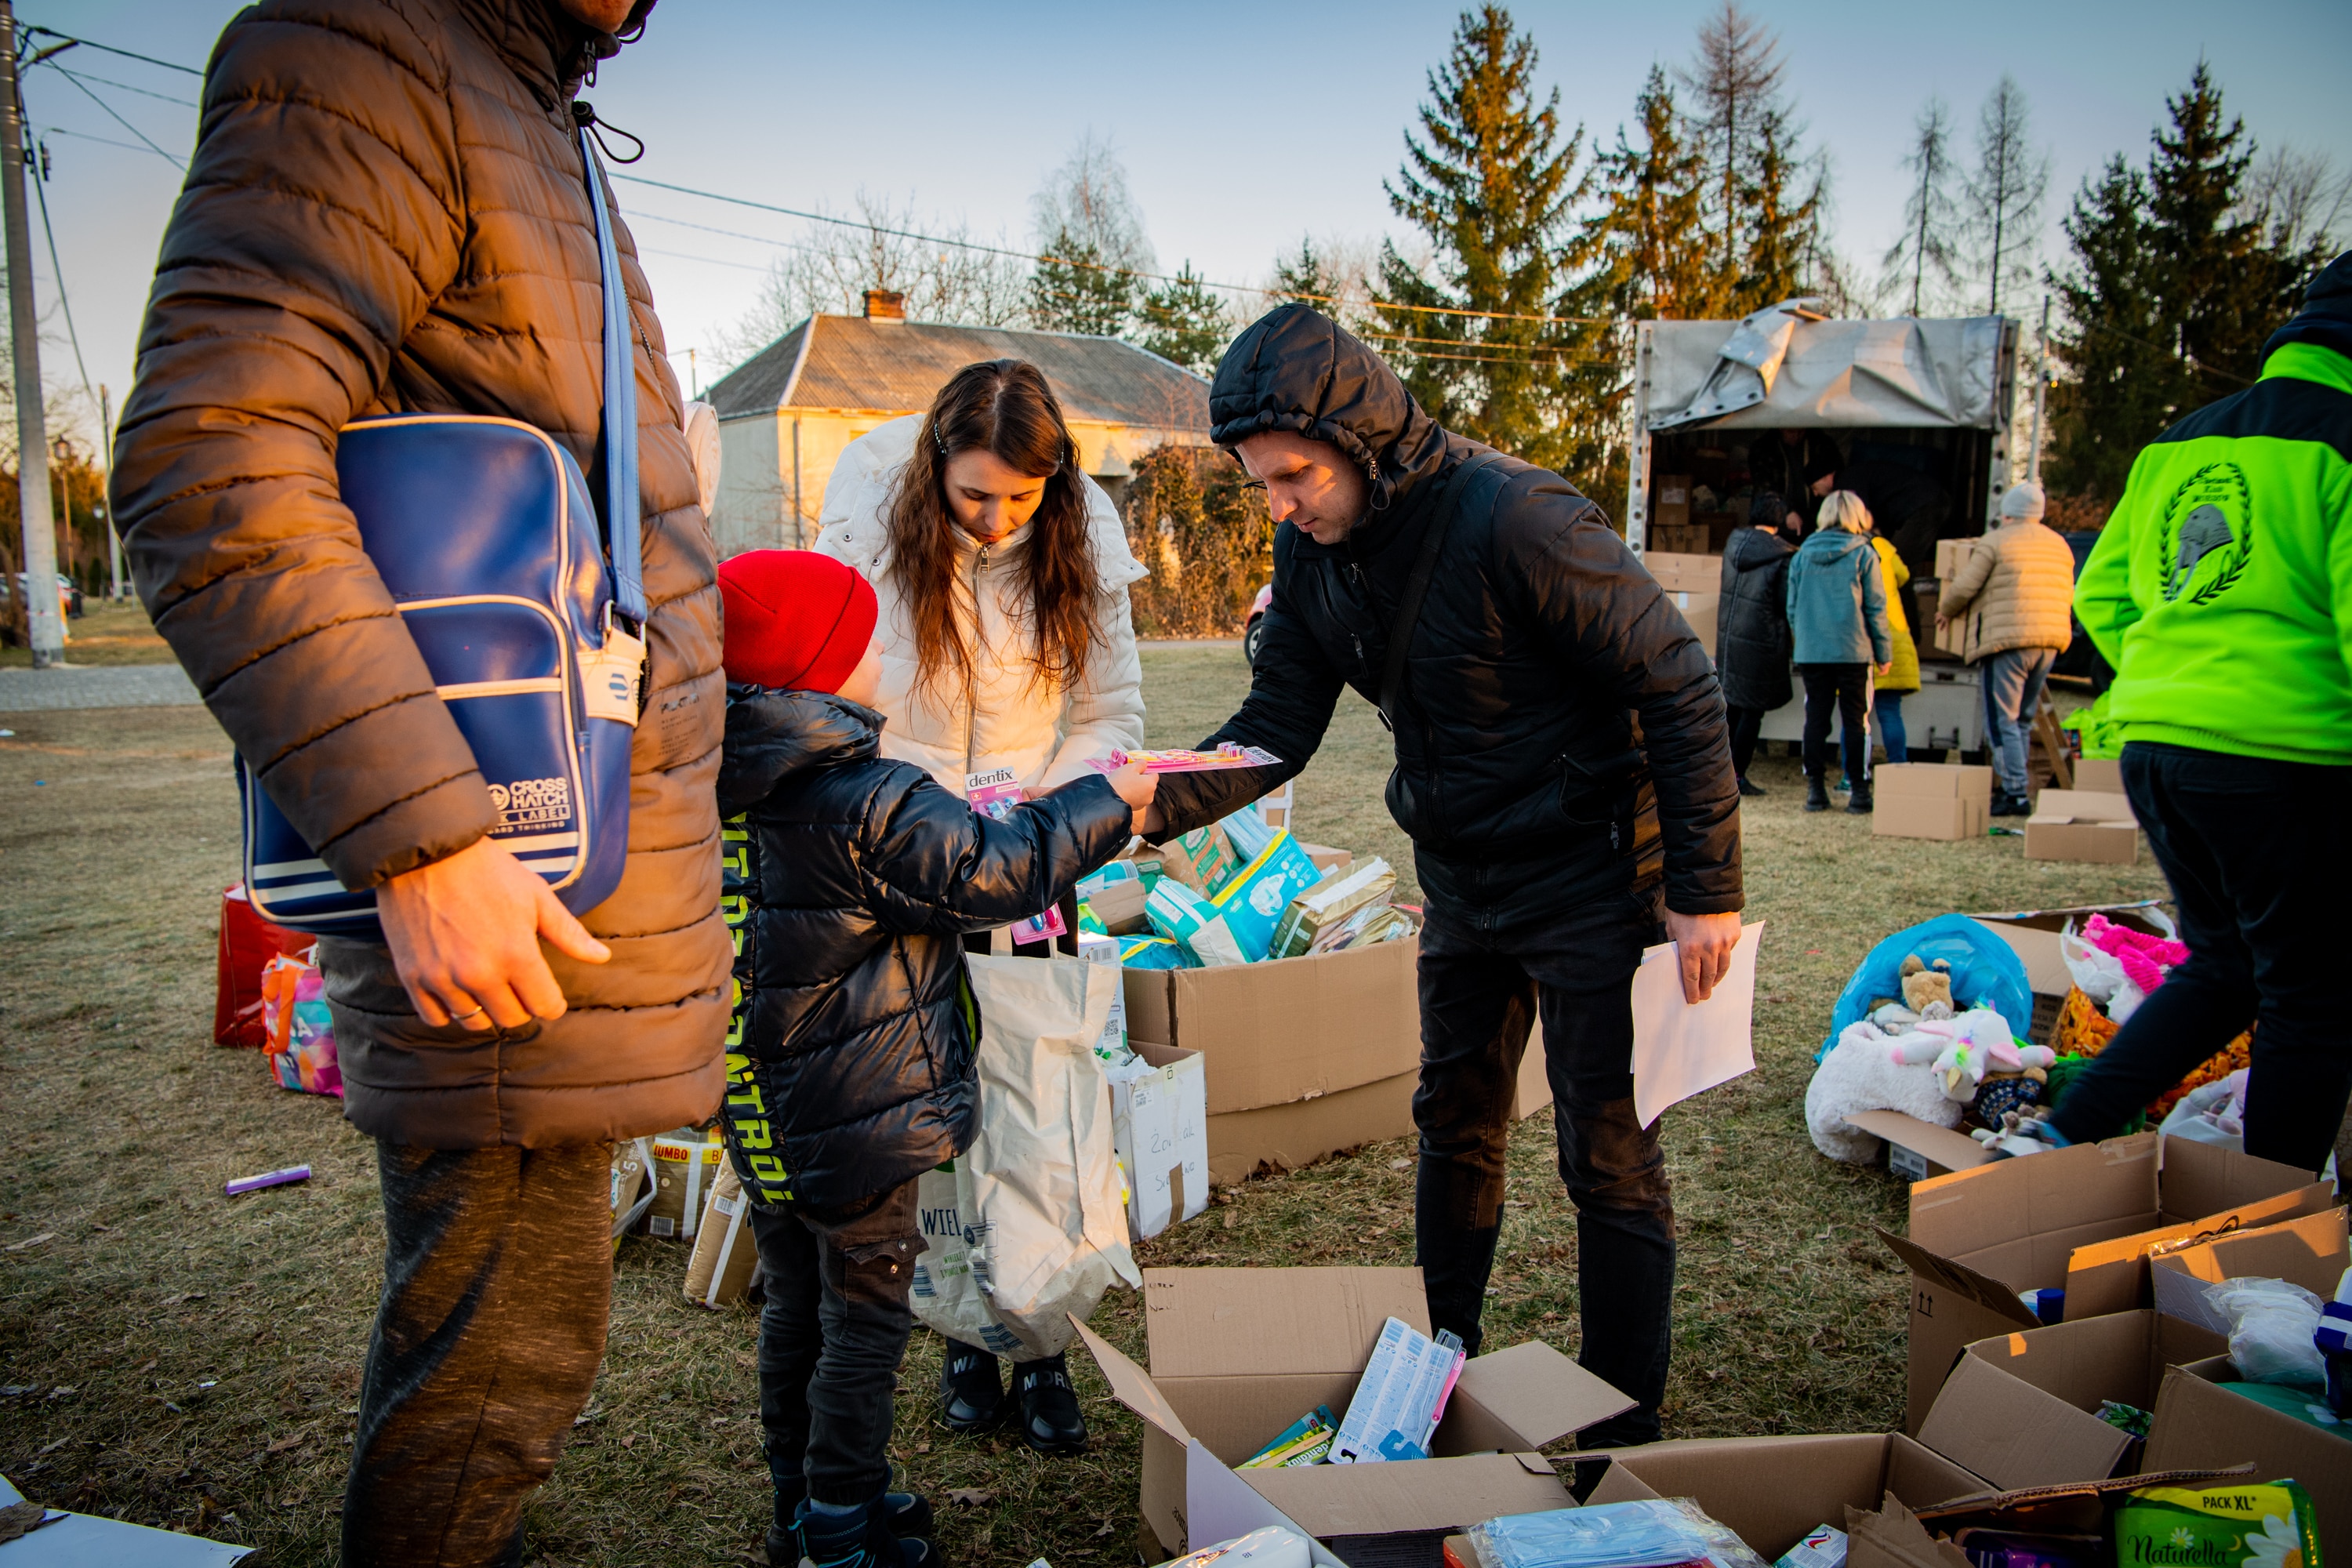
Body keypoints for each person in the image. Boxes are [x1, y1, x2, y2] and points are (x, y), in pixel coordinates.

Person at [108, 4, 727, 1563]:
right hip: (506, 865)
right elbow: (212, 453)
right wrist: (425, 838)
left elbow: (601, 542)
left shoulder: (520, 104)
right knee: (491, 1383)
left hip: (580, 856)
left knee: (510, 1364)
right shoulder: (372, 50)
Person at [1136, 304, 1744, 1448]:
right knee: (1454, 1121)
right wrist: (1146, 799)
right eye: (1261, 483)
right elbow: (1279, 723)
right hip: (1463, 881)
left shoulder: (1519, 516)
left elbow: (1678, 682)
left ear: (1359, 441)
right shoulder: (1311, 550)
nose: (1280, 504)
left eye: (1297, 475)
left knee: (1607, 1153)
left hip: (1594, 873)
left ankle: (1621, 1424)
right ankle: (1431, 1375)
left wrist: (1704, 888)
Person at [715, 550, 1154, 1568]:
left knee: (796, 1308)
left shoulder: (707, 784)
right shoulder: (869, 798)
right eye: (865, 641)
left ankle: (804, 1507)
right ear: (821, 666)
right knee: (864, 1323)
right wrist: (1104, 799)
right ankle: (840, 1530)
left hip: (759, 1112)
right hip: (864, 1119)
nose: (881, 657)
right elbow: (996, 871)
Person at [815, 359, 1146, 1453]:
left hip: (1028, 860)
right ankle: (963, 1329)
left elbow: (1112, 707)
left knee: (1037, 1096)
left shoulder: (1079, 522)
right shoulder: (868, 499)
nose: (999, 521)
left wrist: (1061, 801)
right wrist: (902, 809)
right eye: (973, 497)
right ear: (930, 471)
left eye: (1020, 497)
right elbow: (831, 694)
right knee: (935, 1110)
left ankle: (1042, 1342)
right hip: (902, 855)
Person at [2026, 250, 2352, 1175]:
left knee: (2226, 966)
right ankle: (2272, 1223)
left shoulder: (2185, 437)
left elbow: (2108, 590)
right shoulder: (2344, 439)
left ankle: (2063, 1128)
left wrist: (2171, 678)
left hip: (2161, 745)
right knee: (2312, 996)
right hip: (2289, 750)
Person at [1936, 483, 2075, 815]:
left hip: (2007, 642)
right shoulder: (2059, 545)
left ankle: (2014, 793)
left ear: (2008, 513)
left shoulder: (1997, 541)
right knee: (2024, 720)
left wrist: (1945, 610)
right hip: (2050, 641)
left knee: (2003, 722)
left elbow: (1966, 585)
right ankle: (2018, 786)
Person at [1785, 491, 1893, 815]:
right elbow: (1875, 607)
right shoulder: (1864, 554)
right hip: (1853, 650)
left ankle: (1815, 791)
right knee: (1856, 721)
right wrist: (1884, 651)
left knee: (1815, 719)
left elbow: (1792, 608)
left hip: (1812, 651)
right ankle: (1859, 792)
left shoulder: (1802, 555)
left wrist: (1804, 638)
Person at [1715, 492, 1798, 797]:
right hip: (1759, 640)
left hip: (1729, 637)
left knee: (1732, 709)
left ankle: (1719, 773)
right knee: (1752, 712)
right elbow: (1785, 603)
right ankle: (1737, 777)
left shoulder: (1734, 544)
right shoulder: (1782, 555)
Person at [1809, 450, 1953, 572]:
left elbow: (1858, 523)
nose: (1815, 493)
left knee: (1895, 566)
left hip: (1924, 505)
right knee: (1894, 564)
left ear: (1826, 477)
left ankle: (1902, 605)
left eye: (1813, 487)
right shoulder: (1855, 476)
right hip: (1930, 500)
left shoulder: (1847, 484)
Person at [1868, 521, 1920, 765]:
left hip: (1866, 642)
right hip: (1896, 640)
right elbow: (1904, 575)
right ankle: (1898, 766)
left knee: (1858, 717)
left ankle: (1854, 775)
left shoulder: (1855, 550)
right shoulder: (1885, 549)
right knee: (1890, 712)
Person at [1746, 429, 1838, 533]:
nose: (1796, 436)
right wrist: (1786, 511)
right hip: (1776, 525)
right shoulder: (1764, 447)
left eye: (1801, 432)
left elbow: (1837, 475)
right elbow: (1763, 489)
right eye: (1791, 432)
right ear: (1781, 429)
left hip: (1815, 522)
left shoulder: (1820, 443)